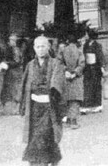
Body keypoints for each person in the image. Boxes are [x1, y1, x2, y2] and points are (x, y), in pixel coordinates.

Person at [19, 36, 66, 166]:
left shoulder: (56, 63)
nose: (40, 49)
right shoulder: (30, 65)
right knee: (34, 137)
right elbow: (25, 86)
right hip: (34, 108)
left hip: (48, 108)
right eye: (38, 47)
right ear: (34, 48)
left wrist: (59, 107)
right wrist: (23, 105)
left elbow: (57, 85)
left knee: (45, 136)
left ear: (48, 47)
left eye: (43, 46)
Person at [60, 34, 85, 130]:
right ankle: (73, 121)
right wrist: (75, 73)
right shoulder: (79, 51)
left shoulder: (63, 51)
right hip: (76, 78)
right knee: (75, 99)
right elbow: (82, 64)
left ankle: (68, 119)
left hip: (65, 78)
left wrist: (66, 71)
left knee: (67, 99)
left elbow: (59, 63)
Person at [81, 29, 105, 114]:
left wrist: (102, 67)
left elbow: (100, 57)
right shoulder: (86, 45)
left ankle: (97, 105)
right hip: (87, 67)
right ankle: (86, 105)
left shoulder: (97, 45)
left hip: (95, 67)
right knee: (87, 86)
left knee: (96, 85)